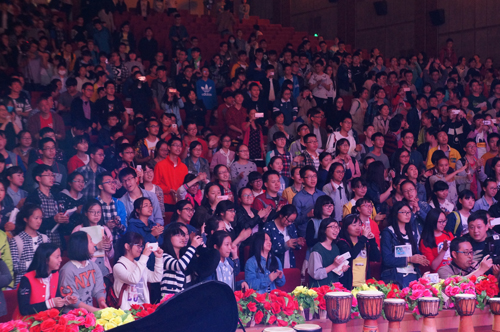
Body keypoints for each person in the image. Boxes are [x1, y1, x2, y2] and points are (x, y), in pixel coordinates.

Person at [13, 243, 77, 319]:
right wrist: (51, 303)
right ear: (46, 260)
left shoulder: (55, 274)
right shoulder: (26, 279)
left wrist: (65, 301)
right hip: (26, 324)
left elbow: (55, 300)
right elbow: (24, 310)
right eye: (57, 257)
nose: (61, 259)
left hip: (46, 321)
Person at [380, 201, 429, 288]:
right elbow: (387, 259)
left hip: (412, 273)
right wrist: (410, 259)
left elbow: (415, 254)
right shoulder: (388, 232)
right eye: (403, 212)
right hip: (395, 275)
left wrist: (420, 258)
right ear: (396, 214)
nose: (407, 215)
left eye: (409, 212)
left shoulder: (412, 232)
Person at [113, 231, 163, 310]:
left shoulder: (138, 264)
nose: (141, 249)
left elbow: (156, 278)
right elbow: (134, 279)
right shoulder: (118, 266)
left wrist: (159, 258)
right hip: (127, 312)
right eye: (138, 246)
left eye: (142, 246)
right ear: (127, 246)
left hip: (143, 309)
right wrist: (144, 256)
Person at [58, 231, 107, 313]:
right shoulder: (67, 270)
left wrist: (101, 301)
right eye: (90, 241)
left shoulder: (93, 265)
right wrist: (95, 311)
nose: (94, 244)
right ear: (82, 246)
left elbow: (99, 289)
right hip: (72, 317)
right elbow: (72, 300)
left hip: (90, 314)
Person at [25, 164, 68, 246]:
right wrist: (54, 219)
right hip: (40, 243)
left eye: (52, 175)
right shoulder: (32, 198)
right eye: (48, 175)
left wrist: (65, 219)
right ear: (38, 178)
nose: (52, 178)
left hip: (57, 241)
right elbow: (31, 223)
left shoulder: (57, 196)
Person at [9, 204, 50, 287]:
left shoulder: (45, 239)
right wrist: (36, 263)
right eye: (36, 218)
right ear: (26, 219)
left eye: (41, 218)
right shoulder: (16, 241)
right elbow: (15, 267)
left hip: (43, 282)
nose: (39, 221)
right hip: (24, 284)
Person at [337, 214, 380, 290]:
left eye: (360, 225)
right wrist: (363, 238)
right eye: (354, 225)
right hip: (349, 285)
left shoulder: (363, 242)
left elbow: (376, 258)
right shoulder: (342, 243)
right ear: (346, 227)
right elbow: (352, 255)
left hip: (364, 285)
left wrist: (372, 240)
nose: (358, 228)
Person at [161, 223, 204, 295]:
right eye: (178, 235)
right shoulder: (163, 256)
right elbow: (179, 266)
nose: (182, 238)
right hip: (169, 302)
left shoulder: (185, 257)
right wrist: (193, 246)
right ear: (169, 237)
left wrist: (202, 248)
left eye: (183, 235)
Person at [153, 137, 188, 212]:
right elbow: (155, 185)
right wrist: (169, 190)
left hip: (180, 202)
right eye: (175, 145)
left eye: (180, 146)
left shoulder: (184, 167)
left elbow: (185, 185)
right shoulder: (160, 165)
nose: (178, 148)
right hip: (165, 201)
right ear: (169, 147)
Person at [308, 218, 347, 287]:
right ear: (324, 230)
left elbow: (336, 271)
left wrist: (341, 269)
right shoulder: (317, 249)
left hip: (333, 288)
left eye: (337, 227)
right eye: (332, 227)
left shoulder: (335, 247)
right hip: (320, 290)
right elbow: (316, 274)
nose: (336, 230)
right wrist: (334, 265)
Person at [263, 204, 304, 269]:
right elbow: (265, 249)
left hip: (289, 261)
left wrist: (297, 242)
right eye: (288, 220)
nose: (290, 223)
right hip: (273, 263)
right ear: (281, 215)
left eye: (292, 221)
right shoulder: (269, 227)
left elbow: (294, 244)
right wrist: (285, 245)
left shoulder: (291, 226)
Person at [293, 166, 326, 237]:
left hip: (322, 231)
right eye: (309, 177)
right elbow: (295, 220)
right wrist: (307, 215)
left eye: (314, 176)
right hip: (306, 233)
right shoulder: (298, 198)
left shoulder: (322, 194)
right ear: (302, 179)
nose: (313, 179)